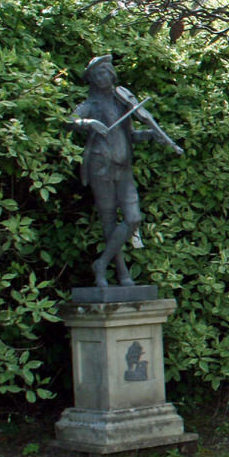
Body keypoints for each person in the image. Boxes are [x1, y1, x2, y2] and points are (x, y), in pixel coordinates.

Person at [68, 54, 183, 287]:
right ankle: (122, 274)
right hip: (101, 167)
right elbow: (69, 121)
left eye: (108, 71)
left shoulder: (121, 102)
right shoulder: (90, 105)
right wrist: (89, 123)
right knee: (108, 221)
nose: (106, 76)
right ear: (92, 79)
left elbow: (129, 136)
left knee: (133, 218)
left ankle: (101, 263)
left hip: (124, 168)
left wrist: (151, 134)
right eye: (99, 73)